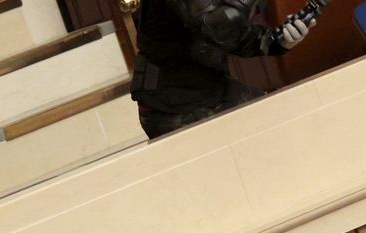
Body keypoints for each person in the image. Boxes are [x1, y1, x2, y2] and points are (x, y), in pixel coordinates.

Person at [133, 0, 329, 139]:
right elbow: (218, 23)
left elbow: (235, 36)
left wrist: (279, 41)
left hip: (211, 87)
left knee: (282, 125)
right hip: (171, 106)